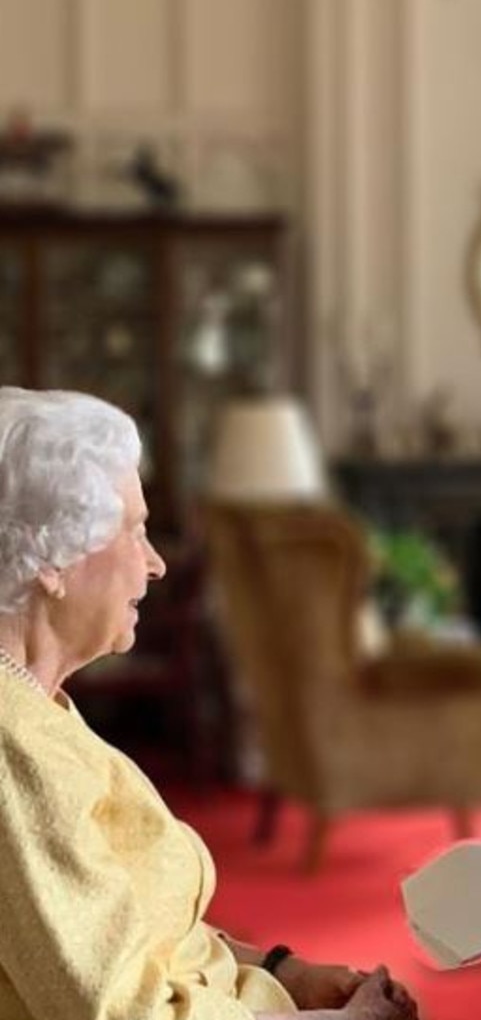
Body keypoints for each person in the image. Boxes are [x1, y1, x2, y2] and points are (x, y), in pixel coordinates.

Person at [0, 387, 418, 1020]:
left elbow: (144, 936)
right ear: (52, 561)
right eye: (133, 532)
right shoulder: (13, 750)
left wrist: (285, 972)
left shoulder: (37, 704)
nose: (157, 563)